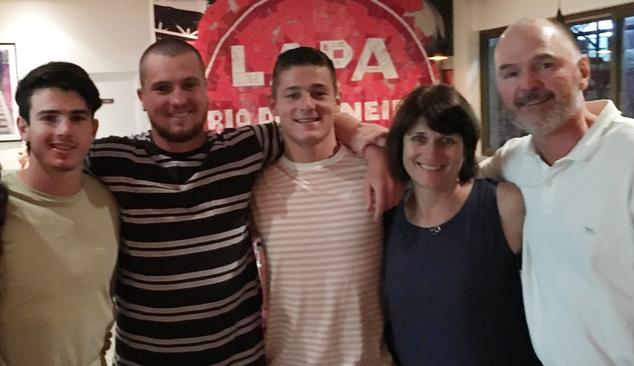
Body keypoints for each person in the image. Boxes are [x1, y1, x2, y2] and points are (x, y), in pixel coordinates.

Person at [86, 38, 395, 365]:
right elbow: (57, 161)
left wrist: (370, 146)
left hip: (238, 359)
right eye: (162, 88)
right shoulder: (112, 159)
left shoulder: (245, 149)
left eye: (189, 85)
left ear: (206, 90)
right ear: (142, 98)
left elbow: (312, 118)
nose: (178, 99)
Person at [480, 17, 634, 365]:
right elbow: (440, 173)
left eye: (545, 65)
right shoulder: (514, 160)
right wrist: (360, 137)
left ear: (583, 71)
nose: (528, 84)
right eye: (510, 73)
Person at [251, 47, 393, 365]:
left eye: (319, 93)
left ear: (337, 99)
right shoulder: (258, 186)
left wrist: (373, 149)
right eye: (293, 95)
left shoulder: (375, 173)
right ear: (273, 104)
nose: (307, 105)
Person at [382, 84, 540, 366]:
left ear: (465, 147)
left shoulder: (503, 205)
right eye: (419, 138)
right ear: (401, 144)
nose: (431, 153)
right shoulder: (389, 219)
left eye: (446, 141)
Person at [0, 62, 119, 365]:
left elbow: (102, 302)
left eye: (77, 117)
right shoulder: (5, 203)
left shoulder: (108, 202)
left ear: (93, 129)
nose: (64, 130)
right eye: (49, 117)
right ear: (24, 127)